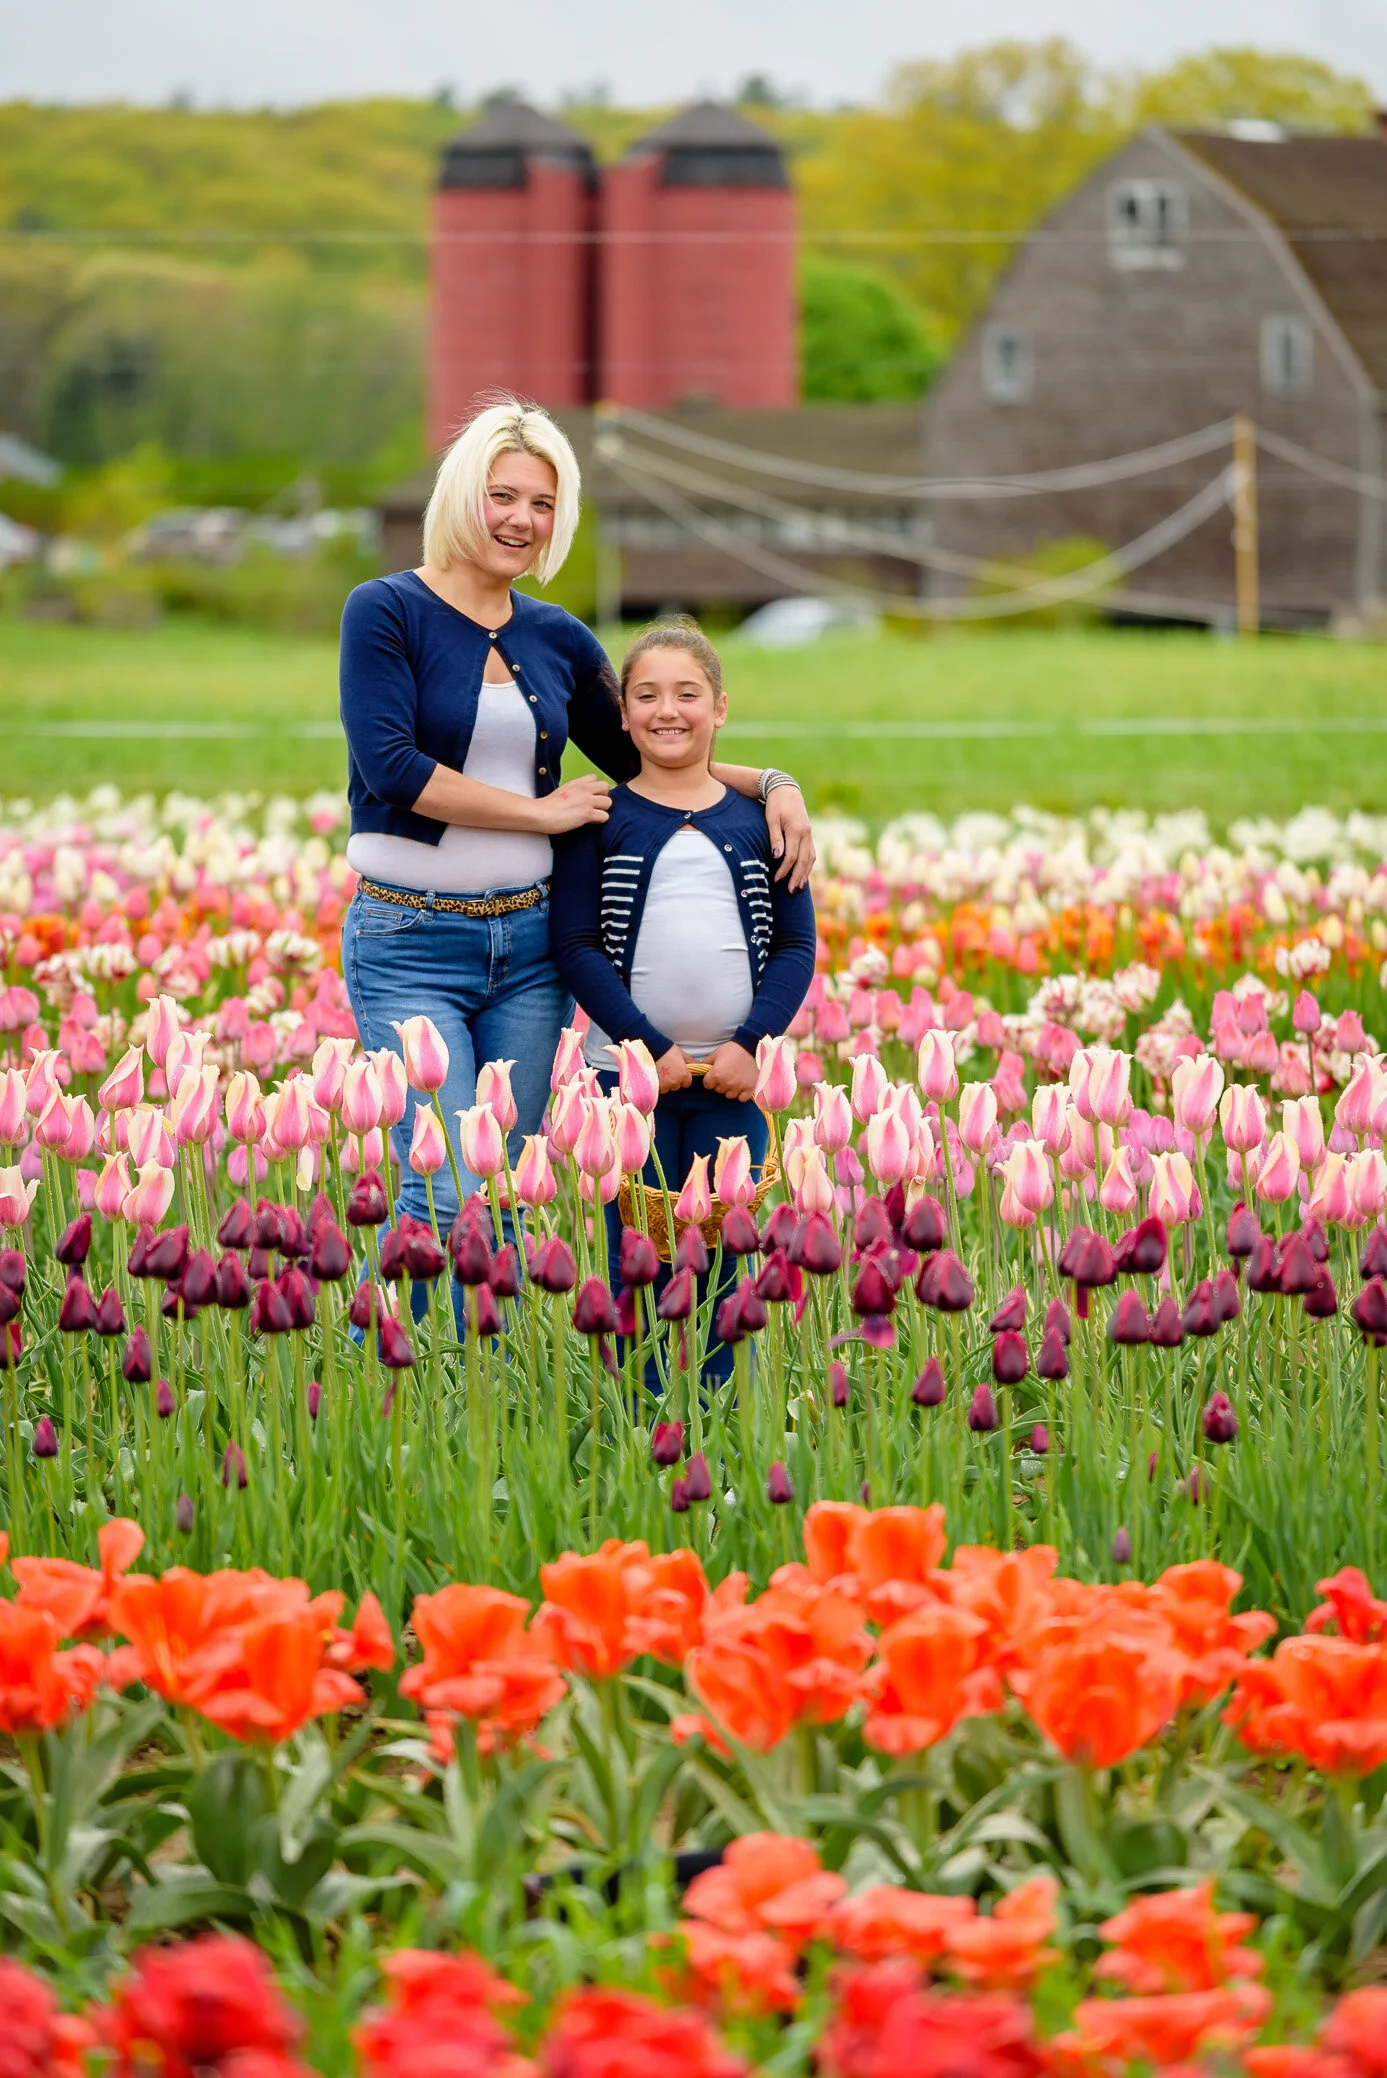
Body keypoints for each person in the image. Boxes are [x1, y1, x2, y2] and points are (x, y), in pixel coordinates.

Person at [337, 397, 815, 1241]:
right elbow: (393, 770)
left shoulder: (556, 636)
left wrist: (772, 782)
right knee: (443, 1183)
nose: (522, 519)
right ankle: (407, 1370)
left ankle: (489, 1370)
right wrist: (539, 814)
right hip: (409, 937)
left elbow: (649, 756)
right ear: (459, 496)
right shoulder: (384, 612)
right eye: (503, 495)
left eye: (543, 503)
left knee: (503, 1187)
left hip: (527, 950)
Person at [549, 620, 817, 1372]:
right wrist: (648, 1052)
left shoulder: (761, 820)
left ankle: (716, 1434)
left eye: (687, 694)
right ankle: (643, 1429)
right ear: (623, 716)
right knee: (638, 1261)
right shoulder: (597, 823)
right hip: (626, 1083)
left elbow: (795, 946)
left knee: (724, 1263)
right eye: (646, 696)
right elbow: (575, 946)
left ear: (720, 708)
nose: (667, 710)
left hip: (733, 1082)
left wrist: (750, 1045)